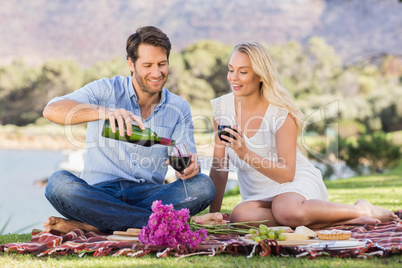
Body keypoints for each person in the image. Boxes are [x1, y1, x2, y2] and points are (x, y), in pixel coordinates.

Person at [42, 26, 220, 234]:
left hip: (149, 195)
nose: (157, 73)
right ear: (131, 64)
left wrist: (189, 169)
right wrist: (104, 112)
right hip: (100, 193)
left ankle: (93, 224)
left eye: (162, 64)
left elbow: (184, 158)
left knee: (202, 186)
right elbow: (51, 110)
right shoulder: (105, 90)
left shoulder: (179, 107)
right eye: (148, 65)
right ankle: (165, 224)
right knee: (58, 184)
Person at [208, 41, 399, 229]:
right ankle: (340, 219)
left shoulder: (281, 113)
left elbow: (287, 174)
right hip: (258, 195)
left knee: (287, 211)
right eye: (230, 69)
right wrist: (213, 216)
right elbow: (219, 168)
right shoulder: (221, 109)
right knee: (240, 216)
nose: (233, 77)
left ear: (260, 76)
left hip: (294, 185)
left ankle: (361, 210)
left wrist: (245, 154)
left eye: (243, 72)